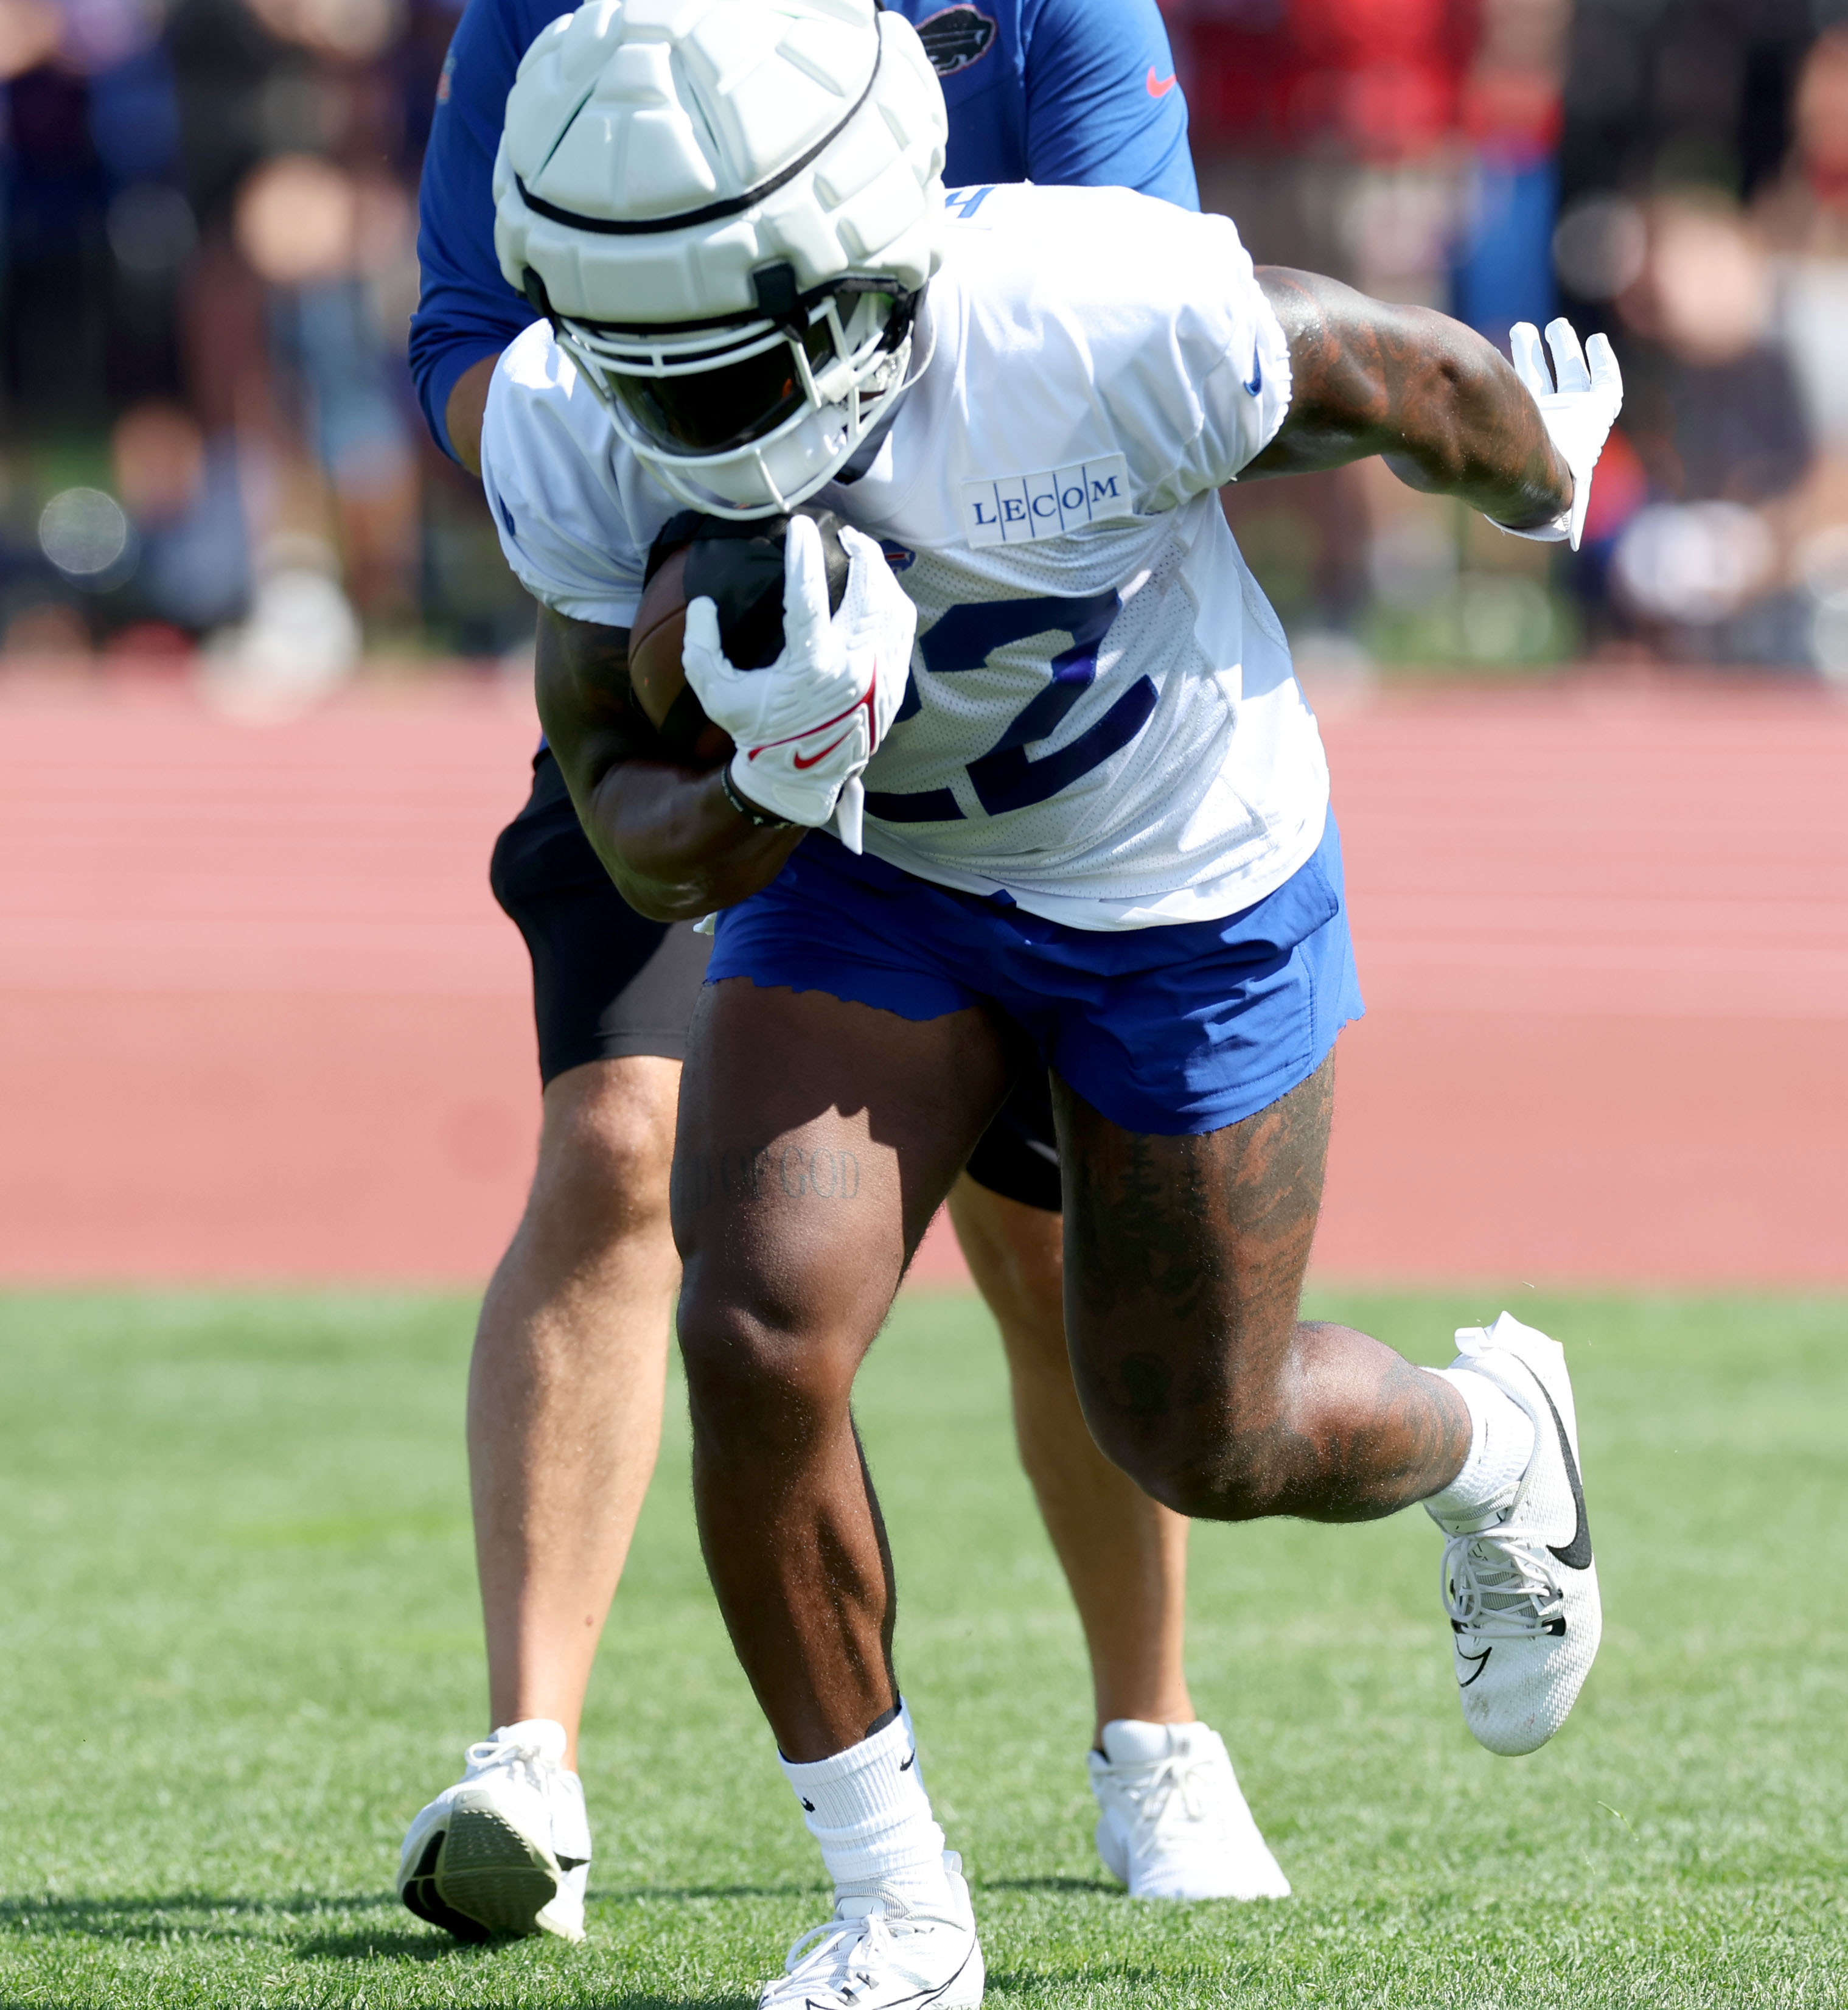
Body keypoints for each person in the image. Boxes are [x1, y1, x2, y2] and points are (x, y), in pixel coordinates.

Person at [478, 2, 1621, 2002]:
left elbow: (1397, 374)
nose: (688, 405)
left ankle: (1486, 1436)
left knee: (1203, 1427)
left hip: (1181, 880)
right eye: (647, 359)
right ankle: (894, 1907)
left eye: (732, 346)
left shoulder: (1088, 310)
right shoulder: (566, 412)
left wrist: (1546, 483)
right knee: (754, 1332)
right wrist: (762, 774)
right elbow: (624, 823)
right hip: (877, 885)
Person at [397, 0, 1286, 1950]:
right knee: (624, 1148)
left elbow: (1137, 283)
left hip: (995, 670)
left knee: (1043, 1243)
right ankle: (527, 1761)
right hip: (680, 634)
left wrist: (882, 535)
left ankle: (1155, 1733)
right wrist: (699, 534)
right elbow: (467, 339)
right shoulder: (554, 16)